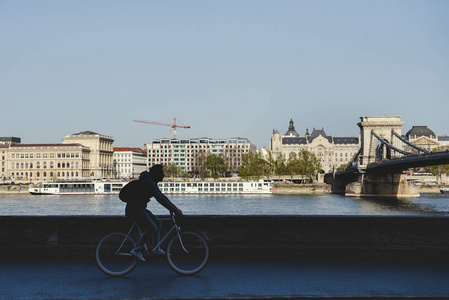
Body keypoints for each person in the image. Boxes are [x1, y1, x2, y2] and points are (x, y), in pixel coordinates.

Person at [125, 164, 183, 262]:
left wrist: (173, 208)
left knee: (157, 222)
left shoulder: (151, 182)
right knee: (152, 227)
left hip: (138, 208)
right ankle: (136, 250)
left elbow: (161, 197)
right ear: (157, 174)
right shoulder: (150, 183)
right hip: (135, 210)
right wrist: (174, 209)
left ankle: (156, 248)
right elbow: (160, 198)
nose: (163, 175)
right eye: (162, 173)